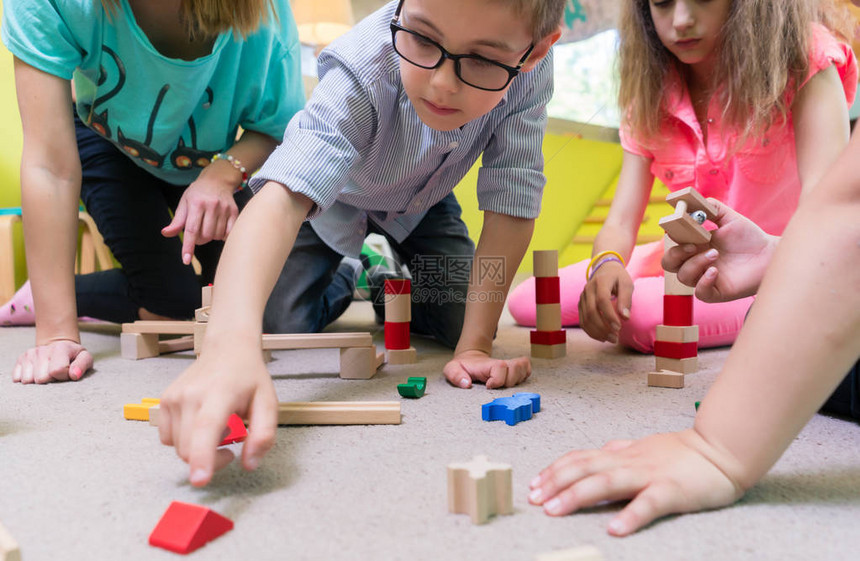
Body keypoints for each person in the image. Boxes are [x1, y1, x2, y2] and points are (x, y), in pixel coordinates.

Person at [158, 0, 564, 487]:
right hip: (333, 200)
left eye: (480, 60)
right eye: (423, 39)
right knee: (282, 322)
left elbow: (511, 198)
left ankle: (384, 275)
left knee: (461, 317)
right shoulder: (361, 64)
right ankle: (351, 271)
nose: (441, 83)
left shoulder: (529, 72)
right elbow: (284, 194)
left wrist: (475, 344)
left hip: (422, 207)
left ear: (535, 52)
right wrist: (228, 345)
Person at [527, 125, 860, 536]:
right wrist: (774, 257)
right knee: (530, 299)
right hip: (761, 259)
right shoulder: (646, 107)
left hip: (802, 263)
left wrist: (718, 449)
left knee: (772, 335)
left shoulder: (809, 69)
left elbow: (847, 213)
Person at [507, 0, 857, 353]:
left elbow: (824, 207)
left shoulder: (805, 55)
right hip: (687, 260)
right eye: (662, 3)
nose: (681, 21)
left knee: (641, 316)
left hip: (777, 268)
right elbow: (621, 221)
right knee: (531, 299)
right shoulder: (651, 89)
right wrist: (607, 264)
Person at [1, 0, 305, 384]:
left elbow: (278, 128)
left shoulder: (269, 14)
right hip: (108, 146)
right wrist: (55, 333)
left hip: (213, 160)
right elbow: (50, 166)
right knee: (175, 307)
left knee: (266, 304)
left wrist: (223, 174)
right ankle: (50, 294)